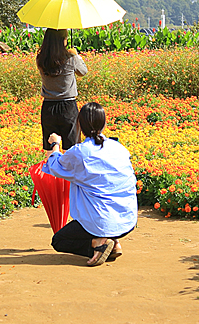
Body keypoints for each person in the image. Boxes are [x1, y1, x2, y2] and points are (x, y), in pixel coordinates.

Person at [43, 102, 138, 266]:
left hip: (101, 221)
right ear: (104, 123)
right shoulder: (119, 148)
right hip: (128, 219)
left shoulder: (80, 152)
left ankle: (97, 244)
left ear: (79, 124)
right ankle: (113, 242)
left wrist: (55, 144)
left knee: (59, 241)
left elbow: (55, 166)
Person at [37, 28, 87, 151]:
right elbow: (83, 72)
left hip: (48, 106)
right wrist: (76, 55)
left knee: (51, 146)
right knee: (71, 147)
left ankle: (52, 170)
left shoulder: (41, 59)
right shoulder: (70, 58)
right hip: (68, 106)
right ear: (62, 40)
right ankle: (68, 170)